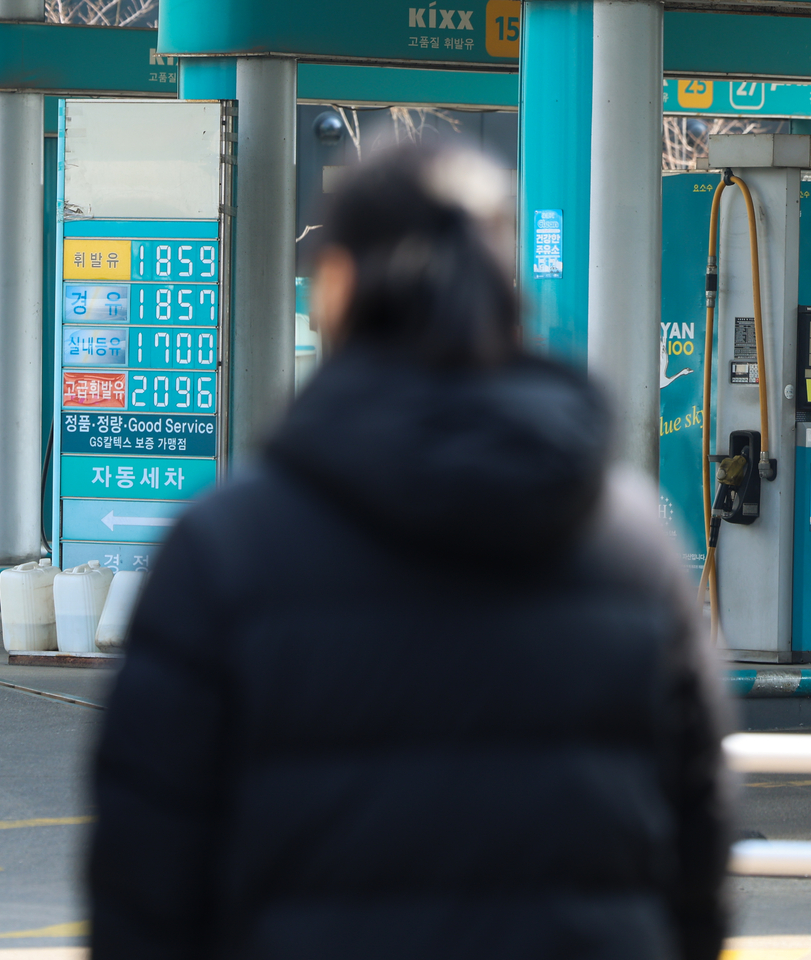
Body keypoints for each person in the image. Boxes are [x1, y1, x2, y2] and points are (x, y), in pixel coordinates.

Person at [89, 144, 729, 960]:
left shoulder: (225, 550)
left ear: (337, 287)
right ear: (508, 291)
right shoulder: (636, 544)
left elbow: (146, 876)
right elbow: (698, 845)